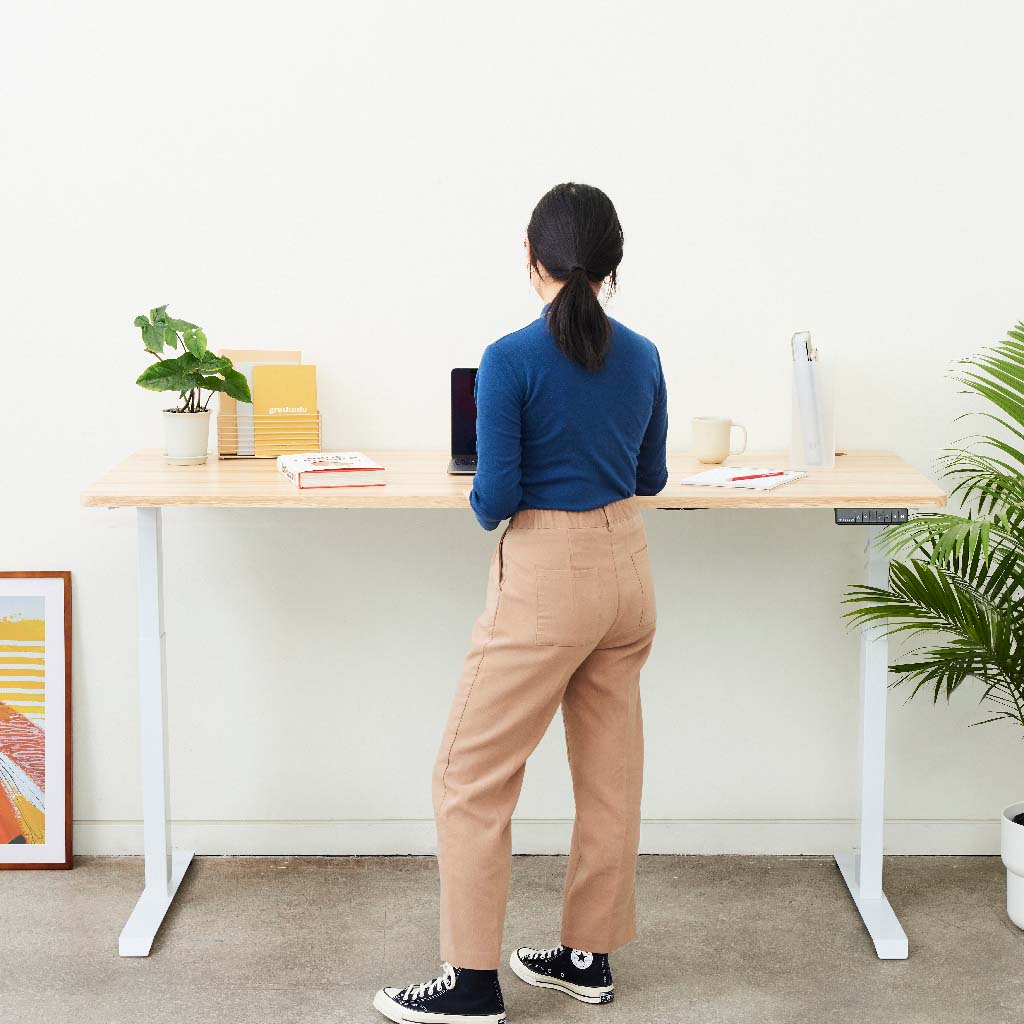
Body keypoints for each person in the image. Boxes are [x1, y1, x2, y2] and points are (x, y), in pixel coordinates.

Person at [373, 183, 668, 1024]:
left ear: (530, 256)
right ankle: (586, 957)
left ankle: (468, 984)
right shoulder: (644, 355)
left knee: (469, 775)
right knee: (610, 776)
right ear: (613, 264)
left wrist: (496, 495)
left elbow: (494, 496)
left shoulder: (509, 359)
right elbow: (649, 477)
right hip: (628, 574)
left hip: (548, 578)